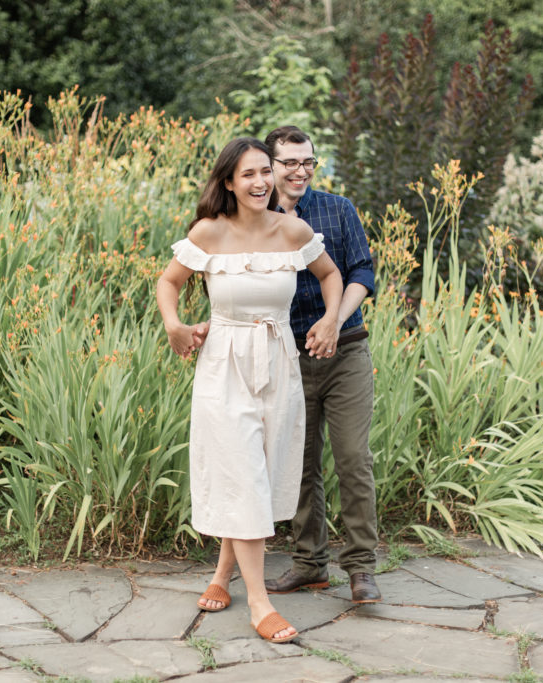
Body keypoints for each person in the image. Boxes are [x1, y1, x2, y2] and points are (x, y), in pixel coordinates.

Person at [156, 137, 344, 643]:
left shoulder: (293, 230)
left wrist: (329, 320)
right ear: (228, 183)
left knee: (257, 474)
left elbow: (331, 275)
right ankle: (260, 604)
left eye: (266, 171)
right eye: (248, 175)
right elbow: (168, 282)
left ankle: (222, 572)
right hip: (224, 366)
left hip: (279, 362)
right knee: (242, 472)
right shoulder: (209, 233)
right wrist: (175, 326)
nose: (261, 182)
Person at [262, 125, 381, 604]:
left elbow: (362, 271)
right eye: (289, 162)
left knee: (353, 458)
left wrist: (334, 320)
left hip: (344, 349)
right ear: (269, 166)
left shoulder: (337, 208)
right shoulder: (255, 219)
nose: (300, 171)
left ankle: (361, 568)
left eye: (307, 161)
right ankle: (309, 563)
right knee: (300, 463)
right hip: (287, 355)